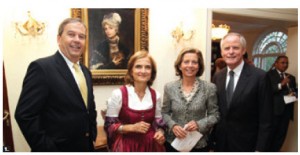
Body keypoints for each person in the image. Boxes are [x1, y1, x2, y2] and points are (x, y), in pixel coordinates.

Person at [15, 18, 97, 152]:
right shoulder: (41, 68)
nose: (77, 40)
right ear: (59, 39)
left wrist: (92, 135)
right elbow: (25, 115)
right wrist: (47, 149)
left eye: (81, 36)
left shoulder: (86, 72)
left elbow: (88, 108)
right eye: (71, 34)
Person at [212, 32, 273, 152]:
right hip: (221, 143)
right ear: (222, 52)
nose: (231, 52)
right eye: (227, 48)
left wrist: (260, 149)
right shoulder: (218, 76)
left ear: (244, 50)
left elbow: (267, 118)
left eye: (235, 48)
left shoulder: (260, 77)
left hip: (247, 145)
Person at [104, 50, 165, 152]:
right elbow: (109, 126)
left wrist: (160, 133)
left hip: (150, 146)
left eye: (148, 67)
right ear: (131, 70)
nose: (143, 71)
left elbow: (158, 124)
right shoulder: (118, 94)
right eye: (138, 66)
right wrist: (131, 128)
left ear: (152, 72)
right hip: (127, 146)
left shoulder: (156, 96)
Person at [161, 48, 220, 152]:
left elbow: (215, 115)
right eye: (186, 62)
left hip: (199, 144)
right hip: (173, 143)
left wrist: (199, 124)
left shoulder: (209, 88)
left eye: (194, 62)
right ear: (179, 65)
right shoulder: (169, 87)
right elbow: (164, 112)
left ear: (199, 66)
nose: (190, 65)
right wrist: (173, 126)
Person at [267, 55, 297, 152]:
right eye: (283, 62)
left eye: (287, 63)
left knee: (281, 137)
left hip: (286, 112)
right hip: (274, 112)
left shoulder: (291, 78)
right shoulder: (268, 75)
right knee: (270, 137)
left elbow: (295, 92)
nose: (285, 65)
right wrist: (281, 84)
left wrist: (295, 94)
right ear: (276, 64)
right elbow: (267, 91)